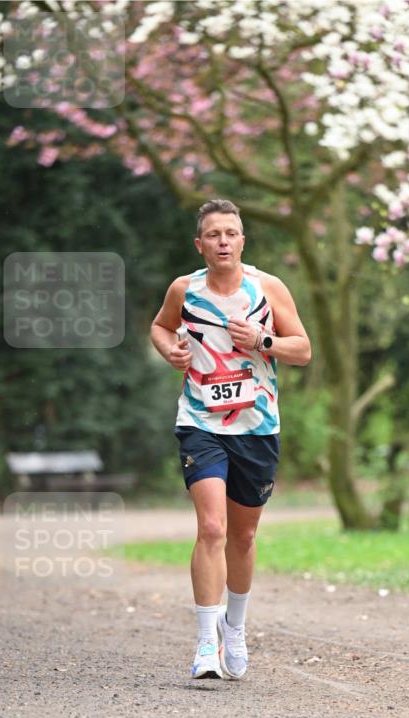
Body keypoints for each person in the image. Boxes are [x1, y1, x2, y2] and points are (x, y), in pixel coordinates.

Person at [150, 199, 311, 681]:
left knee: (243, 535)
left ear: (243, 241)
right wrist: (170, 351)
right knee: (213, 528)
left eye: (231, 233)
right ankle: (204, 645)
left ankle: (234, 629)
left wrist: (262, 341)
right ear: (199, 245)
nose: (223, 242)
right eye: (214, 235)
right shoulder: (185, 289)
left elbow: (302, 349)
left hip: (257, 427)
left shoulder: (267, 289)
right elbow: (160, 326)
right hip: (200, 421)